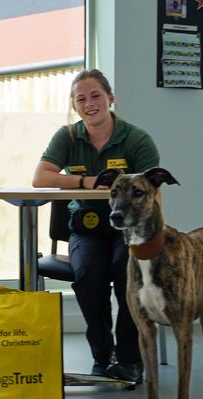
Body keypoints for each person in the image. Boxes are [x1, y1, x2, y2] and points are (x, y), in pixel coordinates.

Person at [32, 69, 160, 383]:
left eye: (95, 96)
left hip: (129, 227)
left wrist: (153, 241)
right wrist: (86, 182)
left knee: (125, 271)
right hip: (86, 227)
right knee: (89, 274)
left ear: (110, 98)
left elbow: (153, 196)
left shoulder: (136, 139)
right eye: (81, 99)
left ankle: (130, 359)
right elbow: (40, 178)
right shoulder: (67, 136)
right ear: (75, 106)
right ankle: (103, 358)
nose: (89, 104)